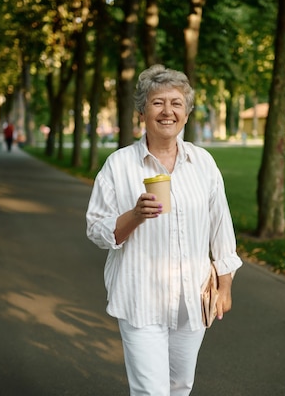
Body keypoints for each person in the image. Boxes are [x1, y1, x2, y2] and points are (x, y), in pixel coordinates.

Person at [86, 65, 243, 396]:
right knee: (151, 393)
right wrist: (134, 215)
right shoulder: (119, 165)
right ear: (142, 111)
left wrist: (225, 283)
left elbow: (221, 225)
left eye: (176, 103)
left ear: (186, 113)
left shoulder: (203, 164)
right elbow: (97, 228)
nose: (167, 111)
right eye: (158, 103)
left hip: (192, 298)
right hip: (140, 297)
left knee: (180, 386)